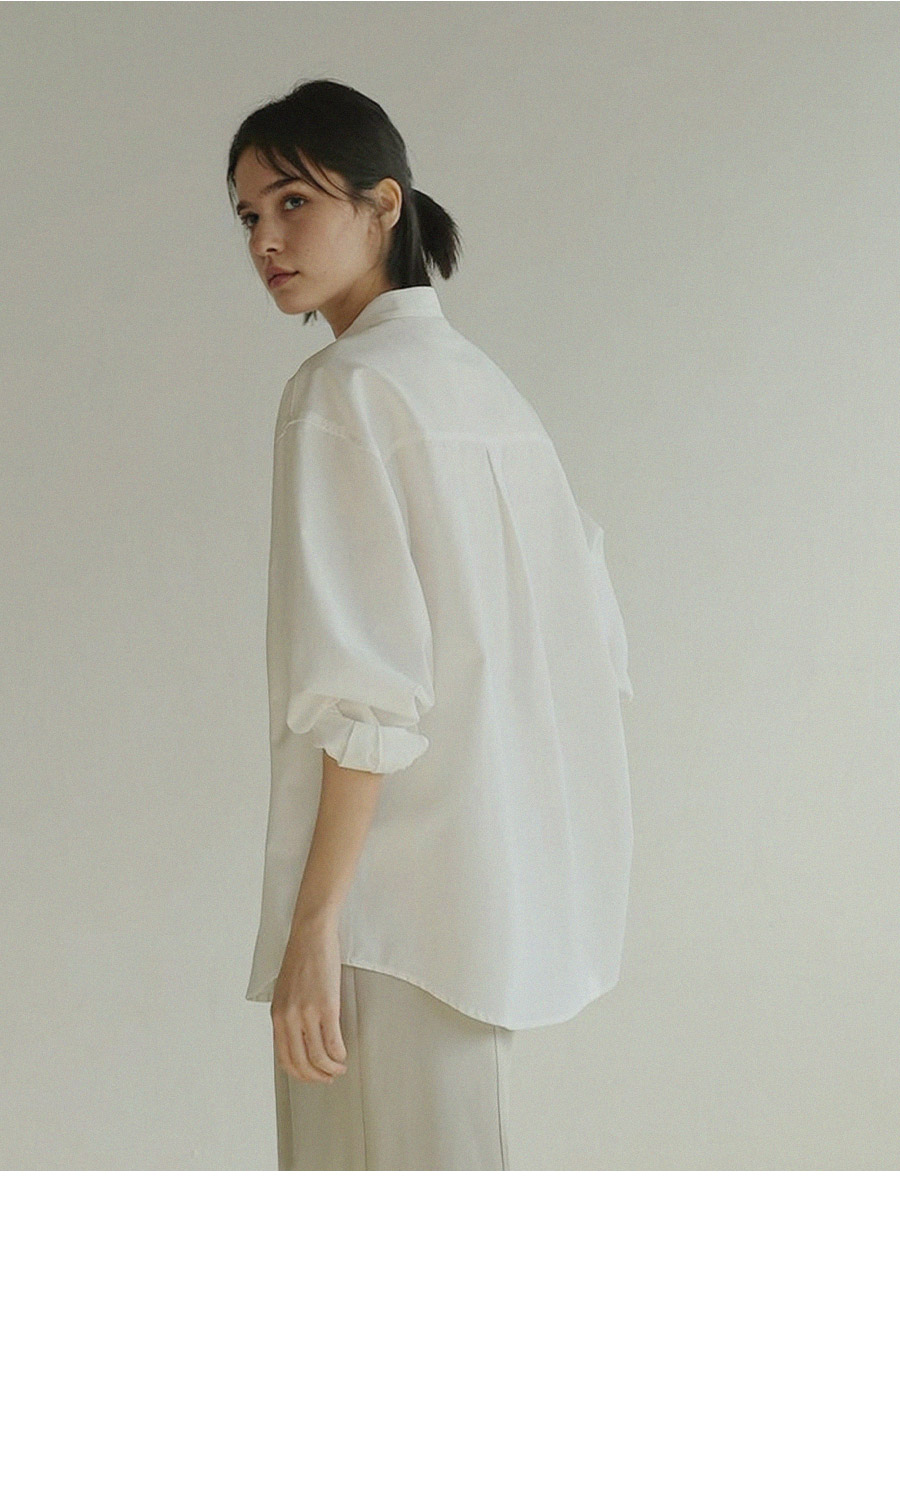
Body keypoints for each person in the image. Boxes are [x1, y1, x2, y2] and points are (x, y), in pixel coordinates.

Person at [227, 78, 635, 1172]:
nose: (265, 239)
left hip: (382, 923)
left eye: (295, 202)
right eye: (248, 215)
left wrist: (316, 925)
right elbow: (589, 653)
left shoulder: (341, 391)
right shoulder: (488, 393)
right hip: (490, 916)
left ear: (383, 204)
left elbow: (366, 694)